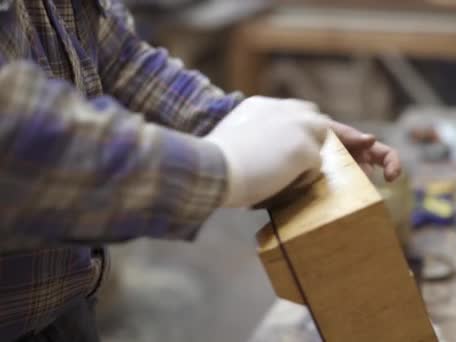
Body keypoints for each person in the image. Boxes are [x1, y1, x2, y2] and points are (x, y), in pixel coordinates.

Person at [0, 0, 402, 341]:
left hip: (66, 305)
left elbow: (116, 56)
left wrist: (235, 119)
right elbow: (13, 142)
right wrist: (225, 167)